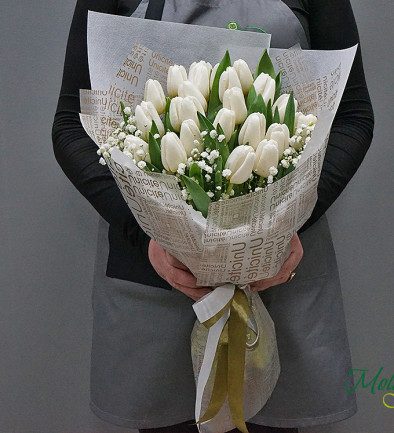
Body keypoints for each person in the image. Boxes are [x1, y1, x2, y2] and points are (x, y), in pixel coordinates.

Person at [52, 1, 374, 432]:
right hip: (154, 279)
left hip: (280, 277)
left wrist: (286, 225)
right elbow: (73, 124)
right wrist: (146, 235)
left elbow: (352, 116)